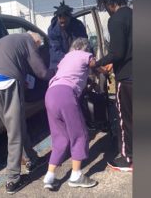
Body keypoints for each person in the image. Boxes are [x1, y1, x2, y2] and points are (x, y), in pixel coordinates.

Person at [0, 31, 55, 194]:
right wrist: (57, 72)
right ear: (37, 42)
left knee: (16, 125)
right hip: (8, 82)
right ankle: (13, 179)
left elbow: (13, 61)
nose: (37, 49)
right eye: (38, 47)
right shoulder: (29, 41)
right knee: (15, 131)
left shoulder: (11, 39)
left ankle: (31, 158)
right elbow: (42, 72)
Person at [43, 38, 100, 190]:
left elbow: (74, 74)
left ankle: (49, 176)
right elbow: (94, 64)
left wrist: (87, 82)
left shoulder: (65, 58)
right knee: (80, 134)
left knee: (60, 137)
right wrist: (103, 69)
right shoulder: (83, 54)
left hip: (50, 94)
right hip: (66, 94)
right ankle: (76, 175)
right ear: (85, 48)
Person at [90, 0, 133, 172]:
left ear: (110, 3)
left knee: (126, 120)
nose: (106, 10)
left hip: (128, 79)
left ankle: (128, 158)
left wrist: (95, 63)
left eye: (105, 6)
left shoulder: (116, 20)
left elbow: (117, 52)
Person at [48, 0, 88, 69]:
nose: (62, 24)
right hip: (59, 63)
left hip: (77, 60)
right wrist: (70, 60)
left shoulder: (78, 26)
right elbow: (56, 51)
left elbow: (84, 44)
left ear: (69, 17)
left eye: (65, 21)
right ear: (57, 18)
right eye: (61, 22)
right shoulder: (53, 30)